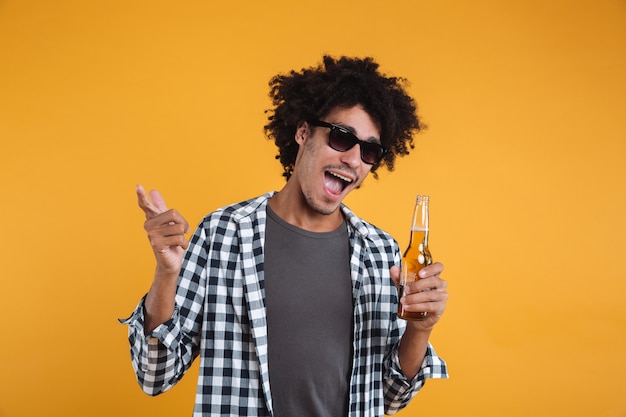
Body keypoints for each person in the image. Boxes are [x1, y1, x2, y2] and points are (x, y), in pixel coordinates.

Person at [121, 55, 449, 417]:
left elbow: (389, 399)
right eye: (342, 137)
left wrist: (420, 330)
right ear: (303, 132)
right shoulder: (224, 233)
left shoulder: (381, 253)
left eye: (369, 150)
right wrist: (167, 275)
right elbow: (155, 374)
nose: (355, 160)